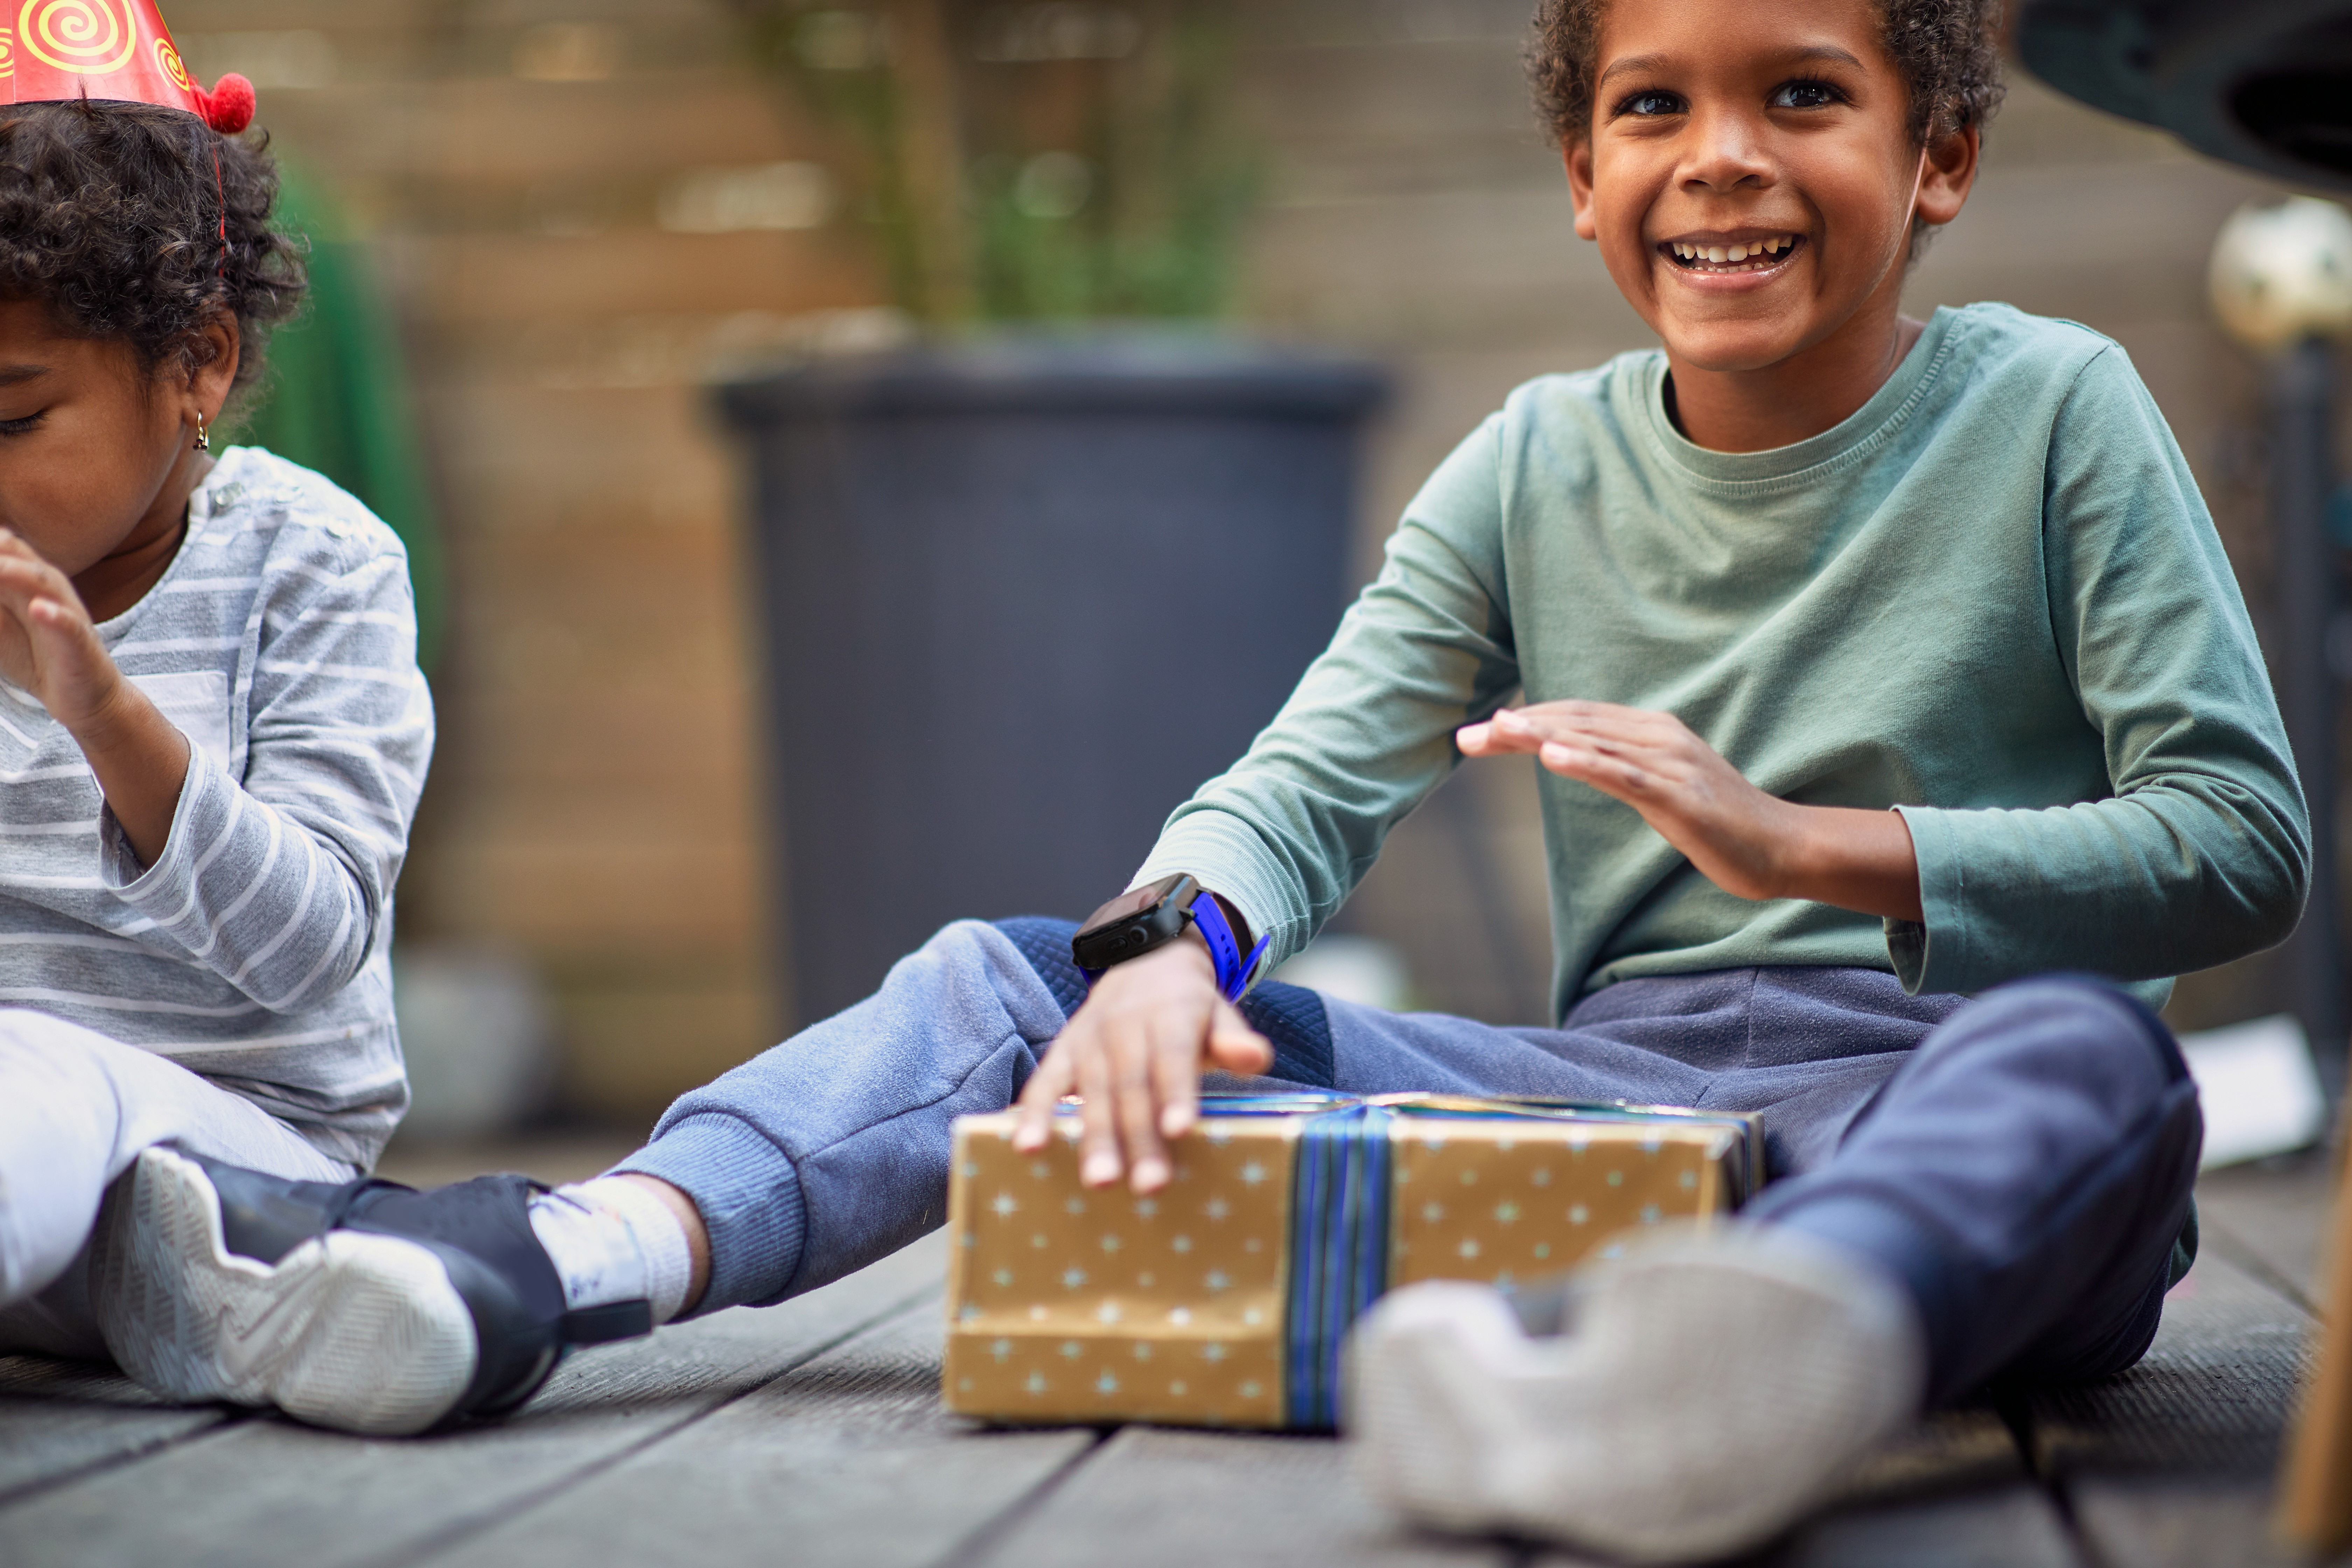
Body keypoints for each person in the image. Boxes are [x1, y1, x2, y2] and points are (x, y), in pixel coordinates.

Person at [100, 0, 2301, 1557]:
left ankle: (1770, 1361)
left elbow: (2237, 847)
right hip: (1628, 1111)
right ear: (1580, 175)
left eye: (1800, 93)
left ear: (1943, 156)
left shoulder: (2053, 409)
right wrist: (1170, 954)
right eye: (1653, 105)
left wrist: (1809, 843)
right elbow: (1305, 777)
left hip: (1942, 1087)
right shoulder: (1534, 465)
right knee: (1020, 974)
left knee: (2102, 1077)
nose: (1718, 154)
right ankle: (554, 1269)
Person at [0, 83, 435, 1376]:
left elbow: (310, 950)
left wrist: (106, 717)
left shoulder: (316, 567)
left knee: (44, 1077)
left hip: (239, 1165)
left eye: (13, 418)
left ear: (199, 359)